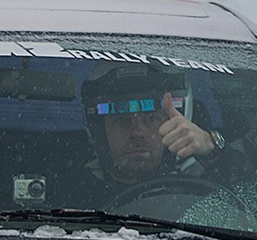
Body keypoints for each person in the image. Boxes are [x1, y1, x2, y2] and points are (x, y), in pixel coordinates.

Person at [60, 61, 253, 208]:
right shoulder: (72, 190)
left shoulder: (207, 177)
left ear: (178, 122)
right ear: (100, 132)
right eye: (121, 120)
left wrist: (213, 149)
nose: (137, 132)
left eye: (151, 119)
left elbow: (249, 192)